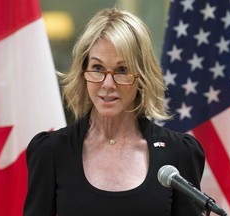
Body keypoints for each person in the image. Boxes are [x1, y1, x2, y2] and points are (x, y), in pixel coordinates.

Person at [23, 7, 205, 216]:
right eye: (98, 68)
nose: (107, 83)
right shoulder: (51, 151)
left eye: (122, 70)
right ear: (83, 72)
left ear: (142, 77)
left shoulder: (179, 152)